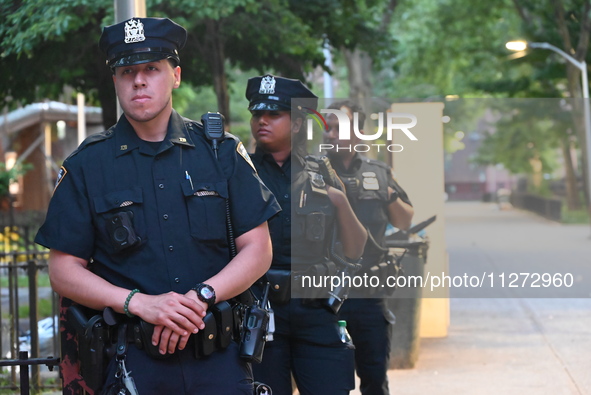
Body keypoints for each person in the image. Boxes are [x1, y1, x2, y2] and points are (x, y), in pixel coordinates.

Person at [35, 17, 280, 394]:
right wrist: (139, 304)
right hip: (132, 362)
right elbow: (63, 270)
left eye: (152, 68)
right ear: (115, 80)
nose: (139, 81)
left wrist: (202, 297)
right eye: (127, 71)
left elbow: (259, 249)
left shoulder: (222, 152)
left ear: (176, 75)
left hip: (219, 357)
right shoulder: (87, 165)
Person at [246, 75, 368, 394]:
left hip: (314, 307)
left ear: (297, 125)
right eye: (257, 114)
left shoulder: (321, 170)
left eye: (274, 115)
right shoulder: (238, 170)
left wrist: (339, 200)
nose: (262, 121)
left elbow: (356, 248)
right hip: (258, 309)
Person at [324, 100, 414, 395]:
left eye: (341, 127)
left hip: (368, 292)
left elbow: (404, 221)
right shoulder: (311, 171)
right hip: (323, 293)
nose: (332, 134)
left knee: (375, 380)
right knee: (329, 381)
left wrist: (386, 194)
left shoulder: (379, 171)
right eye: (329, 127)